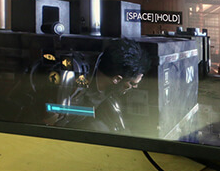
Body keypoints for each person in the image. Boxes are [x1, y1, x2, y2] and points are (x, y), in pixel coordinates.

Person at [9, 39, 151, 133]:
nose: (134, 87)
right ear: (116, 79)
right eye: (131, 84)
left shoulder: (110, 89)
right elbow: (48, 120)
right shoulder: (72, 80)